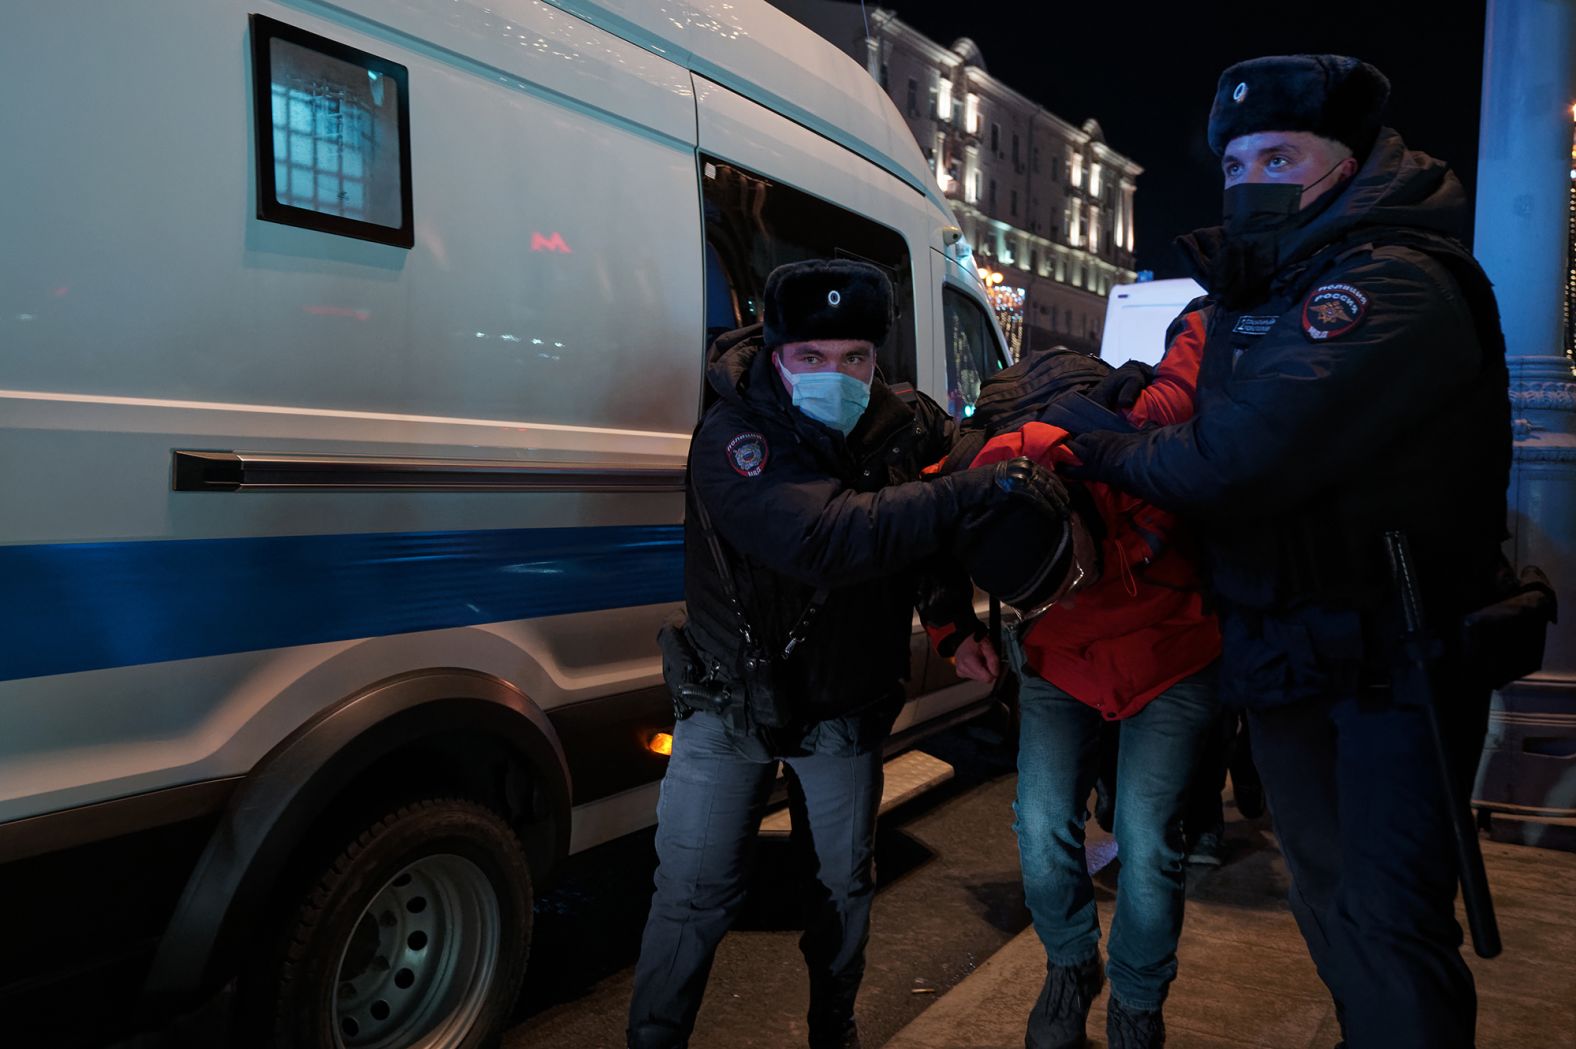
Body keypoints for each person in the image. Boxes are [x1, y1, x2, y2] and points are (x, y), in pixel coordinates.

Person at [1066, 55, 1511, 1049]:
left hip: (1395, 654)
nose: (1247, 178)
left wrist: (1088, 442)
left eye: (1276, 153)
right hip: (1282, 645)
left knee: (1390, 916)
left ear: (1348, 162)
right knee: (1322, 889)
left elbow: (1231, 457)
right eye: (1231, 163)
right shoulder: (1257, 285)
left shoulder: (1392, 278)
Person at [626, 258, 1066, 1049]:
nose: (838, 374)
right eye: (814, 358)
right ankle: (656, 1037)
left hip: (849, 701)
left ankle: (834, 1026)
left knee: (842, 889)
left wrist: (953, 626)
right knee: (695, 897)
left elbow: (923, 536)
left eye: (857, 357)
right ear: (777, 353)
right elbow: (826, 538)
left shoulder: (898, 424)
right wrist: (974, 489)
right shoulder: (735, 433)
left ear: (877, 357)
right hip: (731, 704)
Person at [939, 316, 1221, 1049]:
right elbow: (916, 535)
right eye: (1042, 589)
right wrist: (950, 633)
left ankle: (1136, 999)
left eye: (1068, 574)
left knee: (1148, 838)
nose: (1066, 590)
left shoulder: (1141, 431)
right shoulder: (974, 477)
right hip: (1058, 661)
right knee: (1038, 823)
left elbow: (1197, 345)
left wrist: (1212, 302)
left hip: (1171, 644)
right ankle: (1069, 964)